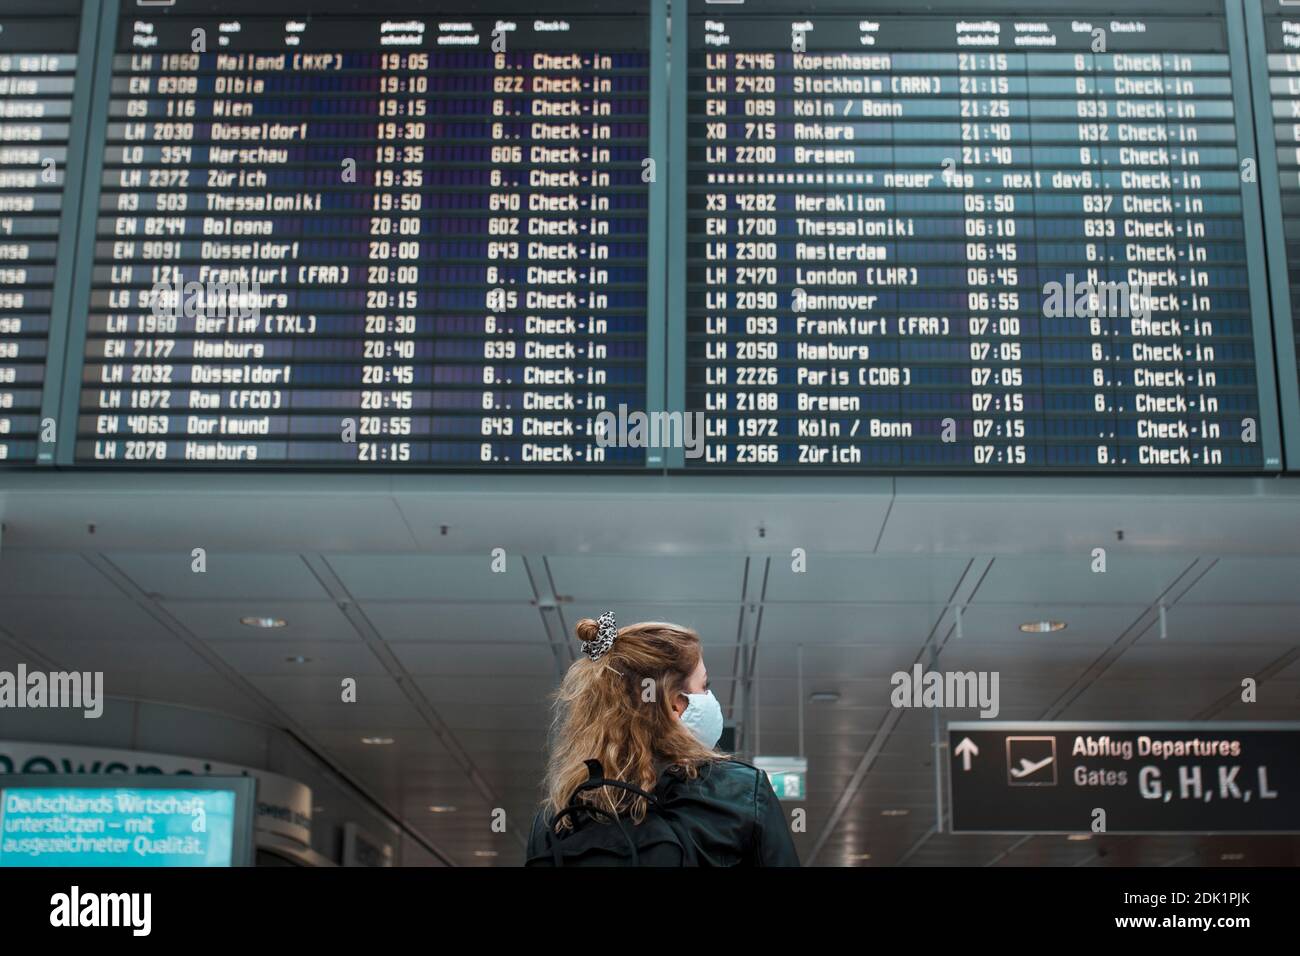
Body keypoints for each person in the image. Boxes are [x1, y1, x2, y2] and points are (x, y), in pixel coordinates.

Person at [525, 612, 800, 866]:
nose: (709, 696)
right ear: (675, 705)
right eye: (704, 686)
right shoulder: (743, 795)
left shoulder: (559, 818)